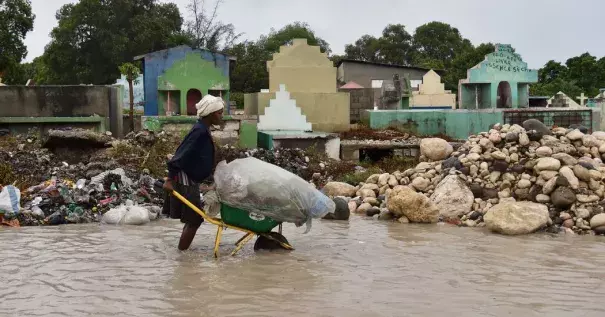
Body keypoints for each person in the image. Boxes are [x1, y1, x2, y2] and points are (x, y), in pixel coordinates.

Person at [162, 95, 224, 250]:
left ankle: (182, 253)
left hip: (192, 178)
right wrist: (169, 180)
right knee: (195, 219)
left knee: (192, 219)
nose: (221, 116)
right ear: (210, 113)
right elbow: (180, 155)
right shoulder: (199, 131)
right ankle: (182, 259)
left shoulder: (202, 129)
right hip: (186, 178)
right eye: (219, 113)